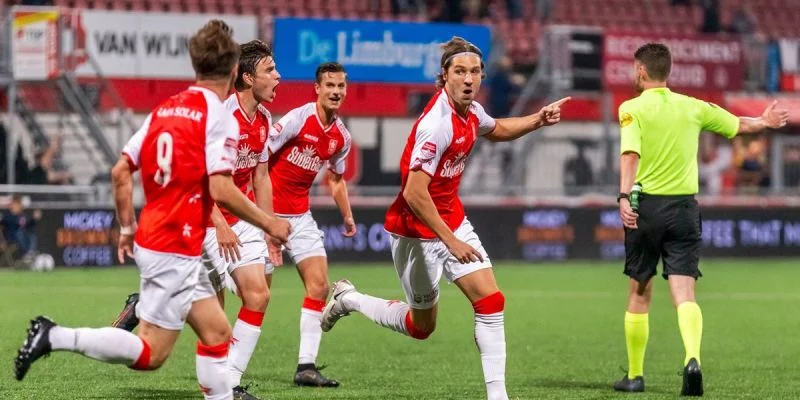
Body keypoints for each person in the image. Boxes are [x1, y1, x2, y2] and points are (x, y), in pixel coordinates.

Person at [13, 20, 291, 400]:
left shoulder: (166, 108)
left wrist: (127, 228)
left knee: (217, 333)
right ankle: (55, 335)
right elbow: (220, 189)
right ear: (233, 71)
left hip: (155, 235)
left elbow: (120, 172)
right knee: (151, 353)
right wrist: (270, 223)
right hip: (176, 244)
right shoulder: (220, 117)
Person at [319, 36, 569, 400]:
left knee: (491, 301)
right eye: (460, 72)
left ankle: (498, 396)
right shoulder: (437, 125)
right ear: (445, 76)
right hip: (415, 233)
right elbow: (413, 193)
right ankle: (350, 299)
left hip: (451, 220)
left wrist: (537, 120)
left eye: (475, 72)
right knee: (421, 327)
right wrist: (450, 242)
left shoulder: (471, 112)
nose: (468, 79)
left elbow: (496, 129)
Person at [109, 39, 282, 400]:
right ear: (247, 78)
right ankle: (145, 307)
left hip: (241, 220)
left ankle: (229, 383)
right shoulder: (221, 117)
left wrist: (268, 227)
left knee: (257, 295)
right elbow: (199, 179)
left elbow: (261, 176)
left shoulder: (265, 120)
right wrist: (219, 224)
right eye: (270, 70)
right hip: (205, 221)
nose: (278, 77)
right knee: (215, 316)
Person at [613, 43, 788, 396]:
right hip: (684, 209)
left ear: (641, 71)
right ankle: (692, 358)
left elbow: (630, 155)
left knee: (640, 291)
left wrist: (623, 196)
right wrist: (765, 122)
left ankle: (635, 376)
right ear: (668, 71)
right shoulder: (693, 106)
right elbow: (737, 125)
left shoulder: (631, 108)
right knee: (685, 292)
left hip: (647, 209)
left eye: (634, 69)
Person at [265, 61, 356, 387]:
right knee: (255, 294)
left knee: (319, 286)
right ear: (317, 88)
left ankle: (306, 367)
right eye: (329, 85)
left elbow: (336, 179)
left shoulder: (341, 137)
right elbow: (259, 159)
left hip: (300, 217)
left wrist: (347, 214)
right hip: (265, 214)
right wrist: (264, 219)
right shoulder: (297, 119)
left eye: (341, 86)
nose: (335, 91)